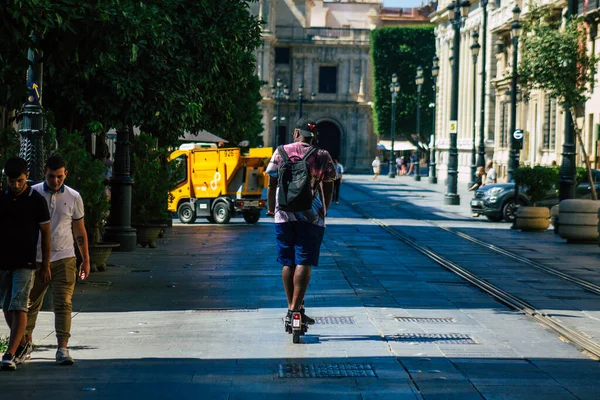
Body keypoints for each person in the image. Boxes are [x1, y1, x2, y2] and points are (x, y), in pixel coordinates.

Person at [266, 117, 336, 332]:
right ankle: (297, 308)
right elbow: (329, 185)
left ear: (296, 133)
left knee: (287, 262)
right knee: (303, 260)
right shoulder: (322, 155)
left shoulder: (280, 152)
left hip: (284, 214)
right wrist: (324, 209)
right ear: (312, 136)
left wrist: (271, 208)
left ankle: (291, 309)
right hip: (311, 216)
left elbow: (271, 182)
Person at [22, 155, 91, 366]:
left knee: (63, 304)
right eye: (52, 177)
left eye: (60, 177)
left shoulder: (73, 197)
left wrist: (85, 259)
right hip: (36, 259)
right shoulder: (32, 193)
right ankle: (26, 344)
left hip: (64, 257)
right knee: (29, 304)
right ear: (44, 172)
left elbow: (79, 229)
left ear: (65, 174)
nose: (56, 181)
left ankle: (62, 348)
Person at [0, 157, 51, 371]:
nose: (16, 185)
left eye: (20, 181)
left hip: (26, 262)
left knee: (19, 305)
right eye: (12, 182)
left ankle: (10, 353)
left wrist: (45, 264)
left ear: (27, 176)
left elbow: (46, 235)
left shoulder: (36, 200)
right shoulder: (2, 199)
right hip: (3, 261)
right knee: (6, 306)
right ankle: (22, 343)